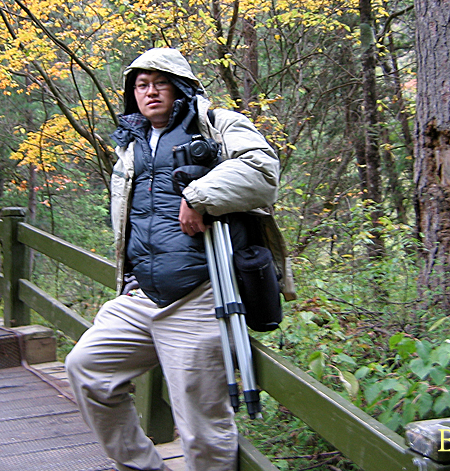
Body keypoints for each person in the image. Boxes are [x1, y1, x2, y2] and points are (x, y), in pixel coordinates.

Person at [65, 47, 286, 471]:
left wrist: (199, 195)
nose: (150, 92)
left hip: (199, 295)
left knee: (202, 427)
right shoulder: (130, 144)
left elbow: (262, 171)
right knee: (87, 370)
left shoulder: (217, 125)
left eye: (160, 83)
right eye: (141, 85)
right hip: (141, 294)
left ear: (180, 87)